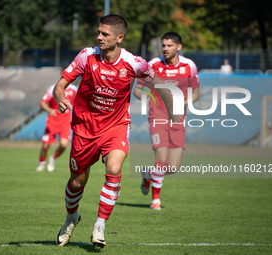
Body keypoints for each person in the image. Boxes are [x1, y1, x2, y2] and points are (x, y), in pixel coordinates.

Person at [53, 14, 179, 248]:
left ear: (119, 38)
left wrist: (172, 111)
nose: (98, 37)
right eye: (98, 32)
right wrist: (60, 98)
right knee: (77, 182)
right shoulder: (86, 56)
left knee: (114, 167)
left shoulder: (135, 63)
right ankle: (71, 218)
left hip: (116, 126)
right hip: (84, 128)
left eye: (104, 34)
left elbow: (161, 85)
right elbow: (60, 86)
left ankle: (100, 225)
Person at [134, 32, 200, 210]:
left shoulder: (189, 66)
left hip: (178, 118)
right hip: (158, 117)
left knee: (173, 167)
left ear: (179, 47)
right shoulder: (153, 65)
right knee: (161, 158)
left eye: (169, 45)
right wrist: (147, 97)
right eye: (163, 45)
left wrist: (181, 103)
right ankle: (156, 200)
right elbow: (138, 90)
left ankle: (148, 174)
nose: (165, 49)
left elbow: (196, 93)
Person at [35, 83, 77, 172]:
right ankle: (41, 164)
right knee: (45, 145)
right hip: (52, 122)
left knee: (64, 144)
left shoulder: (74, 89)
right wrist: (50, 110)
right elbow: (42, 103)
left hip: (65, 123)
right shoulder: (53, 88)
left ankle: (53, 158)